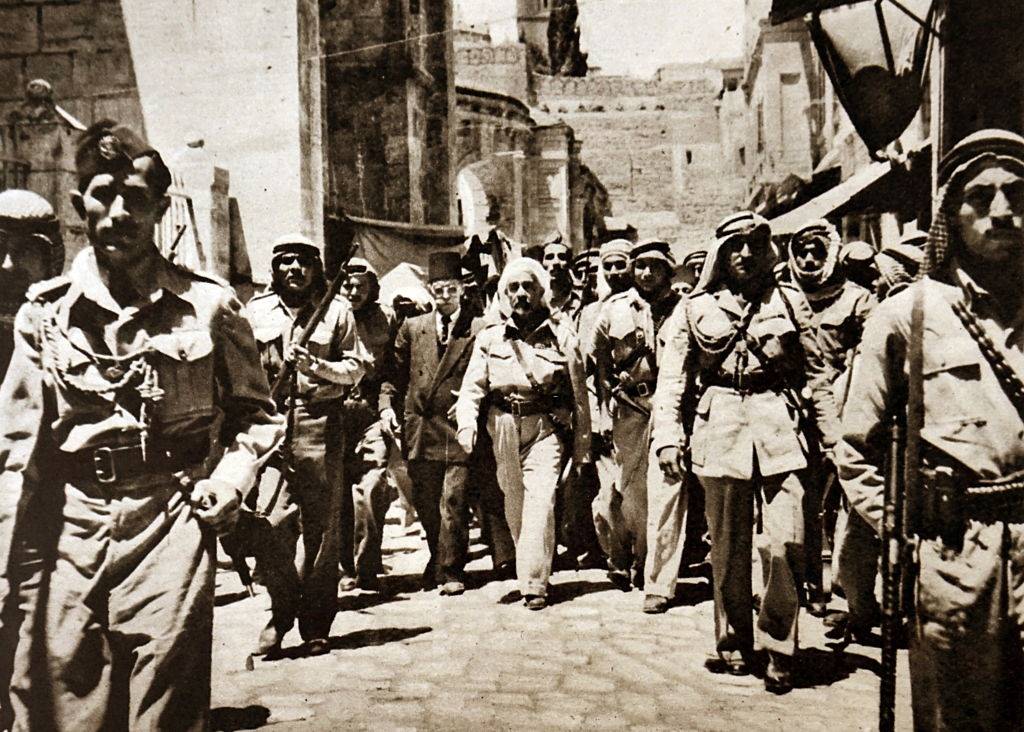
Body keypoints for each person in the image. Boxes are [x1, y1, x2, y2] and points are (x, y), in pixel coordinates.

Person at [0, 120, 284, 730]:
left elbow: (256, 417)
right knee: (65, 703)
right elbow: (15, 453)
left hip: (170, 519)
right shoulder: (44, 315)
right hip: (68, 529)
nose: (119, 212)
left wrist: (230, 483)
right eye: (104, 195)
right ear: (81, 206)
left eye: (136, 199)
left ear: (159, 208)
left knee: (165, 707)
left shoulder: (208, 306)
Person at [837, 129, 1024, 730]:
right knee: (955, 719)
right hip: (955, 557)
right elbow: (856, 448)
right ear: (949, 213)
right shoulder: (909, 315)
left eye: (1018, 195)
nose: (1002, 211)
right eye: (981, 196)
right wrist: (901, 532)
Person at [652, 211, 837, 692]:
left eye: (755, 243)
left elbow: (817, 373)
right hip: (720, 423)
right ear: (720, 253)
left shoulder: (791, 301)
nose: (746, 253)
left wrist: (833, 437)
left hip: (779, 424)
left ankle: (780, 645)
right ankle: (733, 640)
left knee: (787, 540)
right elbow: (672, 379)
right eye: (736, 244)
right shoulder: (695, 308)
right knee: (728, 545)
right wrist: (668, 436)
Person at [245, 235, 369, 656]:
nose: (294, 269)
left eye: (303, 261)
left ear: (316, 268)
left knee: (321, 530)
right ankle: (281, 612)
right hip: (273, 426)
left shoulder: (336, 313)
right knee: (270, 524)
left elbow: (356, 369)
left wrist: (318, 367)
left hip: (321, 425)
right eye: (285, 262)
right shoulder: (256, 311)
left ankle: (315, 622)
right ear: (275, 268)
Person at [455, 257, 591, 610]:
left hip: (545, 428)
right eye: (513, 288)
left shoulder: (562, 336)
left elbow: (580, 397)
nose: (521, 294)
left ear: (540, 291)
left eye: (528, 287)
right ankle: (530, 566)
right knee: (515, 504)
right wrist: (467, 425)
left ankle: (534, 584)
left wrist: (582, 449)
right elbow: (473, 387)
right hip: (502, 427)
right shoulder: (490, 338)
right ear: (504, 294)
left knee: (540, 502)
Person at [381, 251, 513, 595]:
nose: (444, 296)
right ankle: (438, 558)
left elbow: (492, 374)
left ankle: (452, 570)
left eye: (450, 289)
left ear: (462, 290)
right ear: (429, 290)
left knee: (453, 498)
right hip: (420, 428)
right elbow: (392, 375)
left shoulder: (479, 327)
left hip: (457, 428)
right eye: (438, 289)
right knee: (426, 502)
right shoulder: (412, 328)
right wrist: (386, 407)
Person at [784, 220, 876, 616]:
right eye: (802, 251)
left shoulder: (857, 301)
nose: (808, 259)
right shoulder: (781, 299)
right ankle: (807, 584)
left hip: (842, 416)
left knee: (843, 500)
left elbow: (871, 358)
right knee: (798, 501)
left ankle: (845, 586)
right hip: (790, 416)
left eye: (817, 252)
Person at [0, 189, 64, 729]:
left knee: (31, 663)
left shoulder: (68, 327)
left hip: (45, 523)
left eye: (27, 249)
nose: (7, 263)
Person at [591, 239, 682, 609]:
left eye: (654, 267)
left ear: (667, 270)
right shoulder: (614, 309)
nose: (645, 273)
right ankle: (640, 559)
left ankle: (658, 584)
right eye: (640, 266)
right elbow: (595, 359)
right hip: (630, 409)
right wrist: (605, 402)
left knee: (668, 491)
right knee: (633, 494)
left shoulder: (685, 307)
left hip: (672, 407)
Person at [336, 257, 401, 591]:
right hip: (333, 413)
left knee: (372, 487)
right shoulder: (330, 316)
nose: (353, 291)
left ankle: (367, 564)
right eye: (348, 284)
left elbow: (393, 366)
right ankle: (345, 566)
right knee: (338, 496)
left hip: (370, 413)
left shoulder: (386, 317)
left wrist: (388, 406)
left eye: (361, 285)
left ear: (373, 288)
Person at [542, 238, 582, 320]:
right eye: (549, 257)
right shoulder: (536, 301)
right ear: (541, 263)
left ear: (570, 264)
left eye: (562, 257)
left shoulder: (579, 301)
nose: (556, 262)